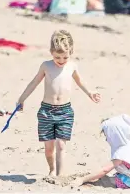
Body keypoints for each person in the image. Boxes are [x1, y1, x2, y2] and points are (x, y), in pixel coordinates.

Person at [16, 30, 101, 177]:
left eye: (65, 57)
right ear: (51, 52)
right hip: (46, 111)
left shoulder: (72, 66)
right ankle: (52, 169)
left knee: (61, 145)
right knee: (49, 148)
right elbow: (34, 83)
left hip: (65, 111)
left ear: (71, 52)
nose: (61, 60)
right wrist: (22, 99)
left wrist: (90, 93)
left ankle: (61, 175)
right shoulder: (46, 66)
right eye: (57, 57)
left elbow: (80, 81)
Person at [81, 115, 130, 191]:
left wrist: (83, 179)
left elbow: (105, 170)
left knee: (111, 180)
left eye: (107, 135)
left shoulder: (122, 152)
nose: (106, 139)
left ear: (114, 135)